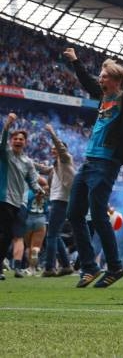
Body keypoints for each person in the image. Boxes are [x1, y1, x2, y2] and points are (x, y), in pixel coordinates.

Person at [64, 45, 123, 289]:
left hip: (106, 162)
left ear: (117, 80)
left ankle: (115, 267)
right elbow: (88, 82)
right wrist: (76, 61)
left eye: (106, 75)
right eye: (101, 75)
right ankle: (89, 266)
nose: (101, 78)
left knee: (98, 214)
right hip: (89, 162)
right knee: (74, 214)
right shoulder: (103, 99)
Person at [1, 114, 44, 280]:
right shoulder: (5, 154)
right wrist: (7, 125)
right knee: (5, 234)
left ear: (25, 143)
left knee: (7, 236)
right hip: (2, 199)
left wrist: (39, 190)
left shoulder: (27, 162)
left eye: (21, 139)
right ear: (11, 141)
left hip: (17, 203)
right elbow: (2, 142)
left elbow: (33, 181)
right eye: (15, 139)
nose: (18, 141)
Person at [38, 124, 76, 276]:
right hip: (58, 201)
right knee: (56, 234)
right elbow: (42, 168)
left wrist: (52, 133)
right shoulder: (57, 165)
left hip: (60, 201)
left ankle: (49, 268)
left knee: (51, 235)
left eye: (56, 148)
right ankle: (66, 266)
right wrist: (26, 162)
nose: (53, 150)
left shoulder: (66, 159)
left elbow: (60, 148)